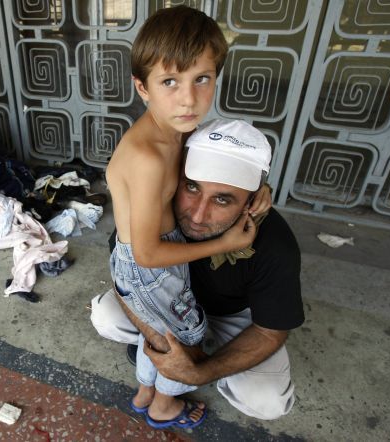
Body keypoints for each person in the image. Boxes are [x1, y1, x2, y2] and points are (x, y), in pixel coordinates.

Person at [104, 6, 272, 430]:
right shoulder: (148, 156)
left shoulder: (177, 131)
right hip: (151, 269)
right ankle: (164, 406)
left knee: (158, 336)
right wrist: (224, 243)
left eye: (202, 78)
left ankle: (145, 393)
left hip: (151, 266)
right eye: (169, 82)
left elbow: (231, 160)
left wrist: (258, 187)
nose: (188, 98)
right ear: (141, 87)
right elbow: (145, 253)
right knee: (185, 340)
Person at [92, 119, 305, 422]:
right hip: (165, 307)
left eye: (222, 199)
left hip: (233, 318)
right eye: (192, 186)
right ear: (176, 174)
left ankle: (194, 367)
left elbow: (269, 331)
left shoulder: (275, 243)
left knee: (267, 400)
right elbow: (124, 275)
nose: (198, 213)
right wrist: (158, 338)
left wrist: (199, 371)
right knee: (105, 314)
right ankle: (158, 363)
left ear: (253, 201)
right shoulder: (154, 207)